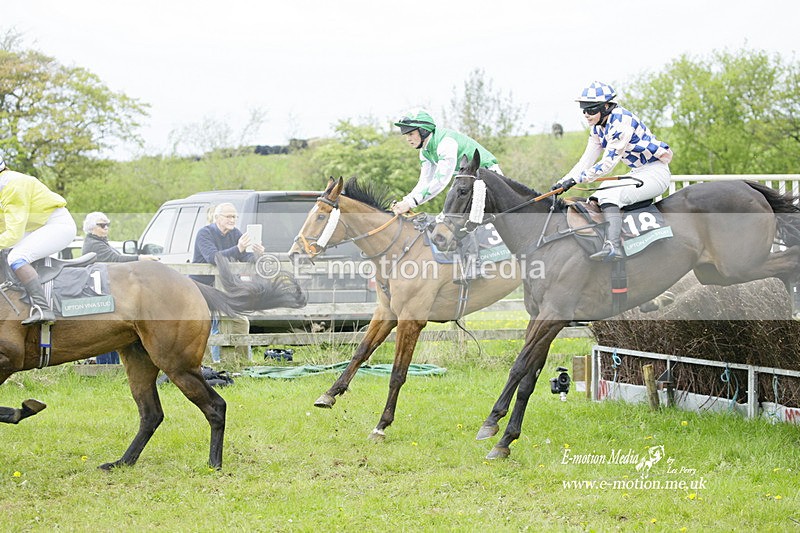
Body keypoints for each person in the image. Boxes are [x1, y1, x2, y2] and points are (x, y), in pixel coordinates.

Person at [552, 81, 673, 262]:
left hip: (656, 173)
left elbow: (607, 164)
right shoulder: (598, 127)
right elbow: (586, 160)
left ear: (607, 106)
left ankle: (613, 246)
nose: (586, 114)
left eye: (591, 110)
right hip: (639, 172)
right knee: (602, 191)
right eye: (583, 109)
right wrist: (564, 181)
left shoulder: (620, 121)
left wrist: (576, 180)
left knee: (609, 194)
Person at [0, 156, 77, 325]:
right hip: (38, 227)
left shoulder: (12, 186)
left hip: (57, 225)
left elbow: (13, 234)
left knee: (15, 257)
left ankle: (43, 308)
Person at [391, 109, 503, 215]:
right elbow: (424, 181)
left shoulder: (446, 144)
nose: (408, 139)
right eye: (406, 135)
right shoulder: (425, 151)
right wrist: (406, 201)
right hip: (467, 180)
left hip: (488, 174)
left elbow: (440, 181)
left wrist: (411, 203)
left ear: (423, 130)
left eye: (411, 134)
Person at [191, 203, 264, 363]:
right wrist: (238, 248)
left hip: (226, 288)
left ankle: (242, 363)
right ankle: (206, 366)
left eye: (235, 217)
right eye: (228, 216)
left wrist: (257, 254)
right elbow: (213, 258)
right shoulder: (205, 233)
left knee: (240, 321)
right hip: (202, 288)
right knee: (206, 326)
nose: (232, 220)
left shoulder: (236, 233)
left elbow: (246, 259)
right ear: (217, 218)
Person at [81, 212, 159, 262]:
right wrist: (140, 258)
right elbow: (116, 259)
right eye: (102, 225)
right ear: (92, 227)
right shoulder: (94, 244)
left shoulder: (99, 241)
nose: (106, 228)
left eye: (107, 225)